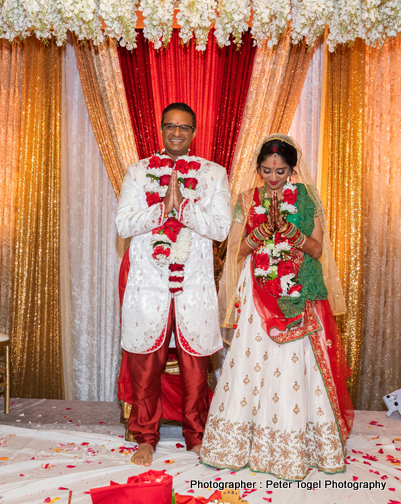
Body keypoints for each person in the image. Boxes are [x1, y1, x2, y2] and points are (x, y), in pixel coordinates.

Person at [200, 134, 354, 480]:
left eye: (281, 171)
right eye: (267, 171)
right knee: (253, 360)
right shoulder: (245, 199)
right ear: (258, 170)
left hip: (297, 291)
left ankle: (298, 443)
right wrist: (260, 235)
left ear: (292, 170)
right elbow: (235, 253)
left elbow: (316, 250)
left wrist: (289, 233)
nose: (273, 178)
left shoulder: (305, 199)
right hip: (258, 294)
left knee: (294, 364)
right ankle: (241, 443)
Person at [115, 102, 232, 466]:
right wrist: (161, 209)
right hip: (148, 282)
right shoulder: (138, 172)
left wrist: (181, 207)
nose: (177, 132)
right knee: (144, 364)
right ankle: (145, 436)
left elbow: (220, 228)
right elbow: (123, 225)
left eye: (184, 127)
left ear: (194, 132)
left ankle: (196, 435)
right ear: (161, 129)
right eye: (170, 126)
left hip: (193, 283)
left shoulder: (214, 174)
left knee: (195, 364)